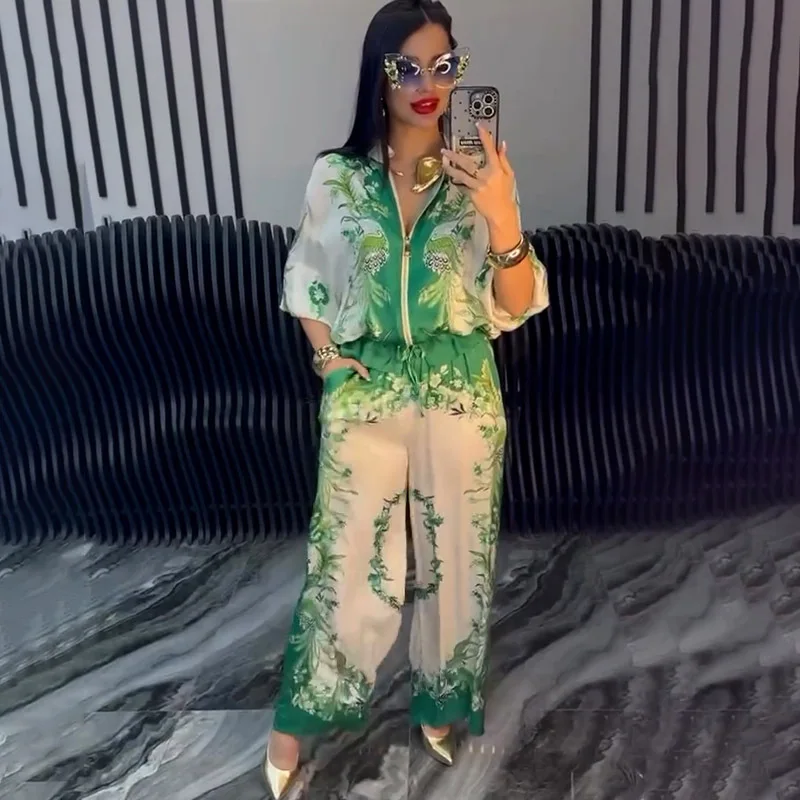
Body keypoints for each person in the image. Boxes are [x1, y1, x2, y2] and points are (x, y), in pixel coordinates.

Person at [263, 0, 549, 796]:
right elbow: (309, 277)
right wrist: (327, 360)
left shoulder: (482, 175)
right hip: (370, 388)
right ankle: (299, 715)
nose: (428, 85)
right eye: (408, 67)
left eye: (444, 65)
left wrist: (502, 217)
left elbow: (515, 302)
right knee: (345, 562)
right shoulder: (338, 176)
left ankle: (443, 700)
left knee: (459, 562)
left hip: (461, 391)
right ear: (379, 74)